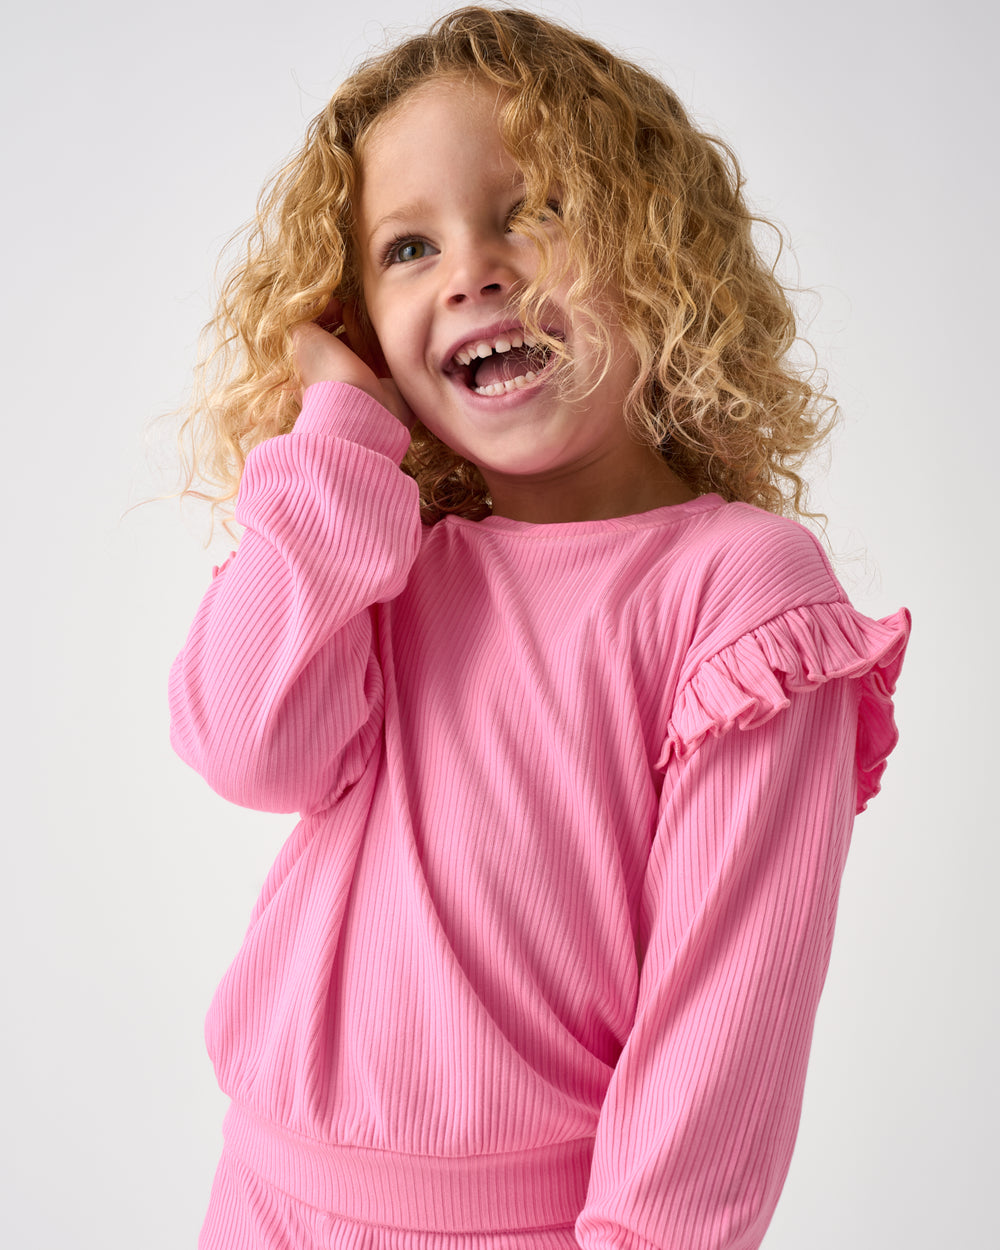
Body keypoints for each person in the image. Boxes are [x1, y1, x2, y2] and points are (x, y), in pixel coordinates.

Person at [169, 8, 909, 1248]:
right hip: (259, 1205)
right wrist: (339, 437)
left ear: (657, 248)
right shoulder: (376, 558)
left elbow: (721, 1035)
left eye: (532, 209)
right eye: (407, 246)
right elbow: (246, 746)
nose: (471, 270)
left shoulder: (740, 592)